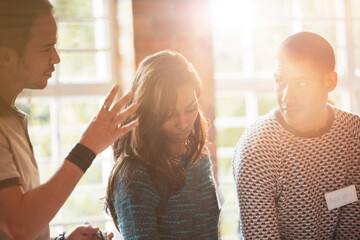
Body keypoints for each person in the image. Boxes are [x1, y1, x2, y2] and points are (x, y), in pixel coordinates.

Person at [0, 0, 138, 239]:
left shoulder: (10, 120)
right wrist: (88, 146)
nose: (56, 58)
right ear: (6, 56)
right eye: (46, 48)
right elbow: (20, 226)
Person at [232, 31, 360, 239]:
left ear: (330, 82)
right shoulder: (256, 149)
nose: (286, 97)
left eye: (301, 83)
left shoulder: (355, 135)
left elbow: (352, 231)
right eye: (280, 82)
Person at [105, 50, 220, 239]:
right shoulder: (134, 176)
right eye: (169, 113)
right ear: (148, 114)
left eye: (190, 109)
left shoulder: (199, 156)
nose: (183, 123)